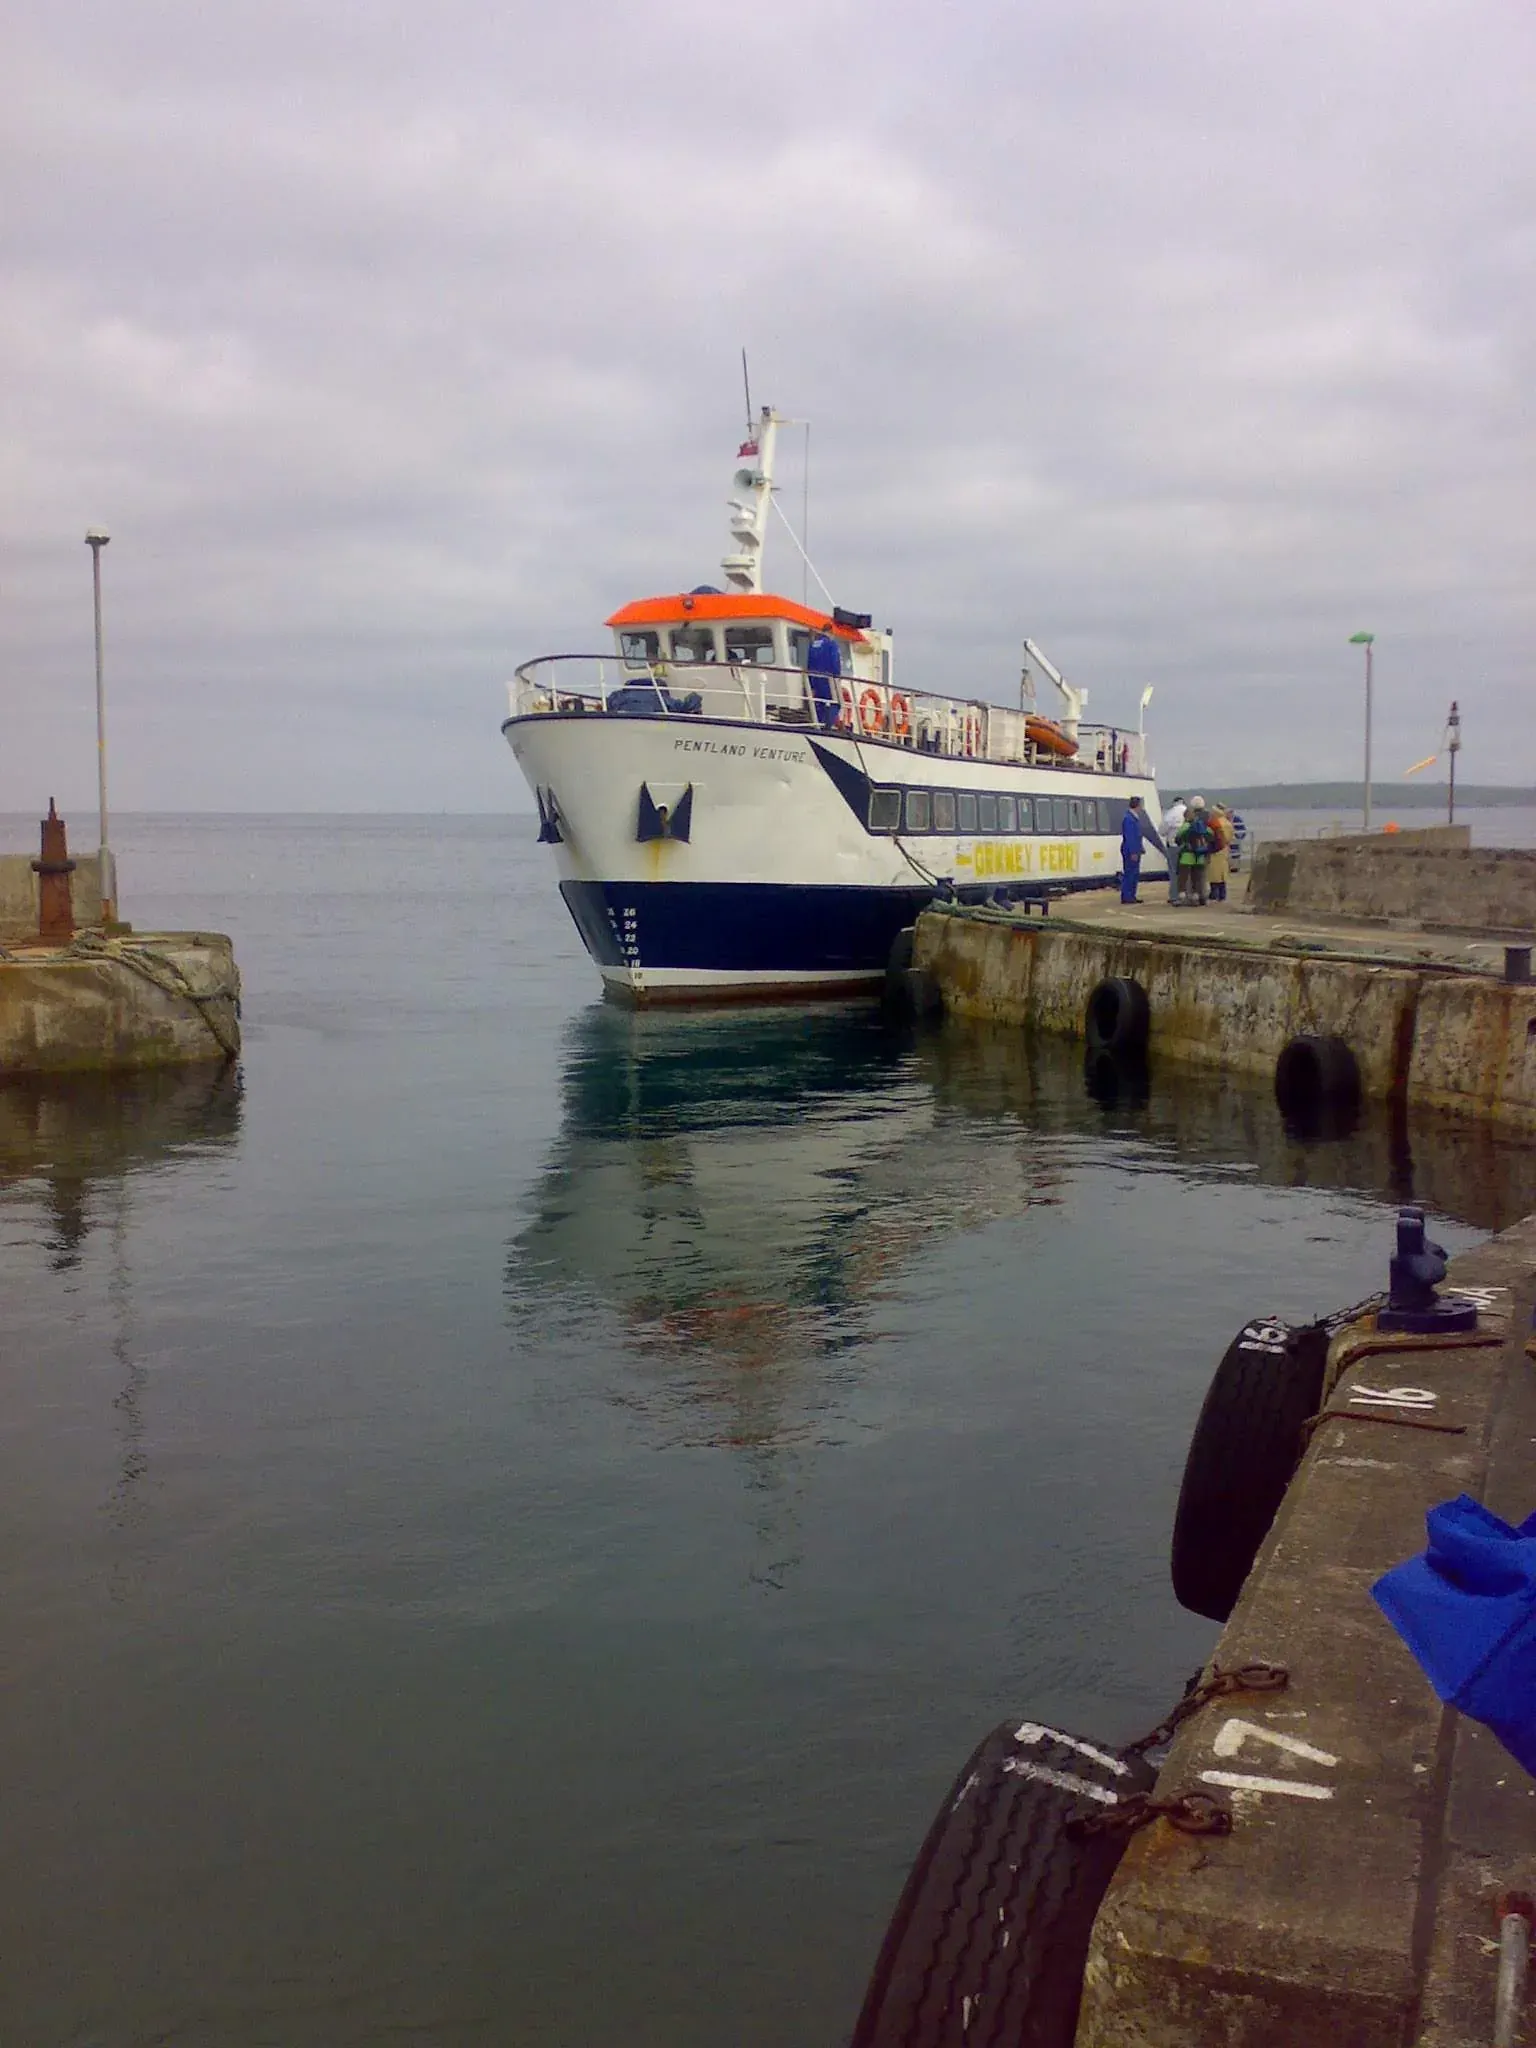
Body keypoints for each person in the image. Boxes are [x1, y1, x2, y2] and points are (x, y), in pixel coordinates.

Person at [1118, 795, 1164, 904]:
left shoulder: (1132, 817)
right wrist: (1134, 851)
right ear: (1138, 806)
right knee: (1131, 873)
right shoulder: (1129, 819)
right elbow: (1130, 836)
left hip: (1133, 849)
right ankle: (1128, 896)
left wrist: (1140, 848)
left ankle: (1130, 895)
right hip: (1130, 850)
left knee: (1133, 873)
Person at [1175, 797, 1215, 905]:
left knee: (1183, 879)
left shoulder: (1186, 826)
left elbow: (1178, 839)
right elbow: (1211, 836)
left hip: (1187, 856)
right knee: (1197, 878)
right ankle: (1197, 898)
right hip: (1200, 856)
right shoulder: (1203, 825)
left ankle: (1182, 898)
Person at [1161, 795, 1188, 903]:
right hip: (1187, 847)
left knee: (1174, 871)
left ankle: (1174, 896)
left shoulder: (1171, 813)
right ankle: (1186, 894)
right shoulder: (1188, 812)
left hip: (1173, 845)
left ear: (1174, 802)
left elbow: (1162, 830)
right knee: (1186, 871)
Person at [1206, 806, 1232, 903]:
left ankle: (1214, 894)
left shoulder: (1215, 823)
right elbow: (1230, 837)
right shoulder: (1228, 823)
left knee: (1213, 874)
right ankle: (1222, 894)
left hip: (1215, 850)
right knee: (1222, 874)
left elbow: (1210, 836)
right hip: (1224, 849)